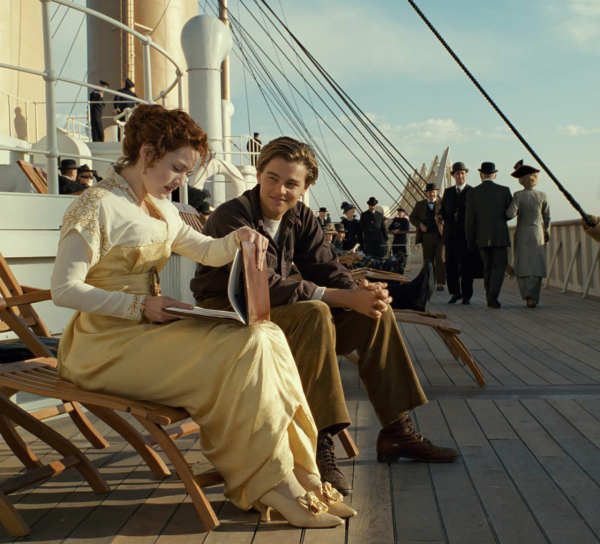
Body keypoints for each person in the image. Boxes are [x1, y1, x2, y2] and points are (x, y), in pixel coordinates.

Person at [51, 107, 353, 528]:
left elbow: (207, 250)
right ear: (147, 152)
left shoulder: (159, 206)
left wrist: (239, 238)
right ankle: (270, 481)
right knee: (246, 349)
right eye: (177, 168)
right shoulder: (96, 205)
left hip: (149, 331)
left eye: (186, 172)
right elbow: (63, 290)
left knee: (266, 334)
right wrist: (139, 306)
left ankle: (301, 472)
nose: (181, 180)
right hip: (103, 346)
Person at [192, 136, 459, 497]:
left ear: (306, 187)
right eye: (272, 178)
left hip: (274, 313)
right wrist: (341, 296)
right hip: (228, 315)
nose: (280, 190)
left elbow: (327, 268)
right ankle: (318, 444)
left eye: (291, 183)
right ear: (258, 175)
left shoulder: (299, 217)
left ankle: (397, 432)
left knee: (375, 314)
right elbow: (259, 283)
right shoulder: (233, 216)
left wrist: (361, 294)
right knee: (315, 313)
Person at [465, 162, 512, 309]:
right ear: (495, 175)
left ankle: (489, 296)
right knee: (499, 265)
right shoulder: (504, 191)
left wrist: (470, 238)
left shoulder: (472, 193)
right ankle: (493, 296)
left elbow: (469, 219)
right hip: (500, 236)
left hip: (482, 236)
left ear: (481, 175)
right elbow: (509, 214)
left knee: (487, 267)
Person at [506, 161, 551, 308]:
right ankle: (534, 296)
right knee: (536, 264)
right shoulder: (542, 195)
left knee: (523, 262)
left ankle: (526, 296)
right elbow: (547, 217)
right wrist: (546, 231)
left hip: (522, 232)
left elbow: (510, 214)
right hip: (537, 232)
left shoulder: (518, 195)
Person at [438, 162, 482, 305]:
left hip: (466, 235)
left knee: (467, 265)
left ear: (466, 174)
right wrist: (440, 215)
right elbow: (443, 209)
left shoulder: (472, 192)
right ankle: (455, 293)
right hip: (450, 234)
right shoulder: (448, 192)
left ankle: (466, 295)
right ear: (453, 176)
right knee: (450, 265)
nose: (460, 176)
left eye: (462, 173)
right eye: (457, 173)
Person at [409, 183, 445, 291]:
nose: (431, 194)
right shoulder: (420, 204)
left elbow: (448, 216)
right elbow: (412, 217)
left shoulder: (442, 204)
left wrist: (441, 219)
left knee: (440, 259)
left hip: (440, 236)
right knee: (428, 260)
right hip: (426, 236)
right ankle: (430, 282)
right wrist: (420, 225)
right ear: (426, 193)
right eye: (429, 192)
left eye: (433, 192)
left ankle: (440, 283)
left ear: (437, 192)